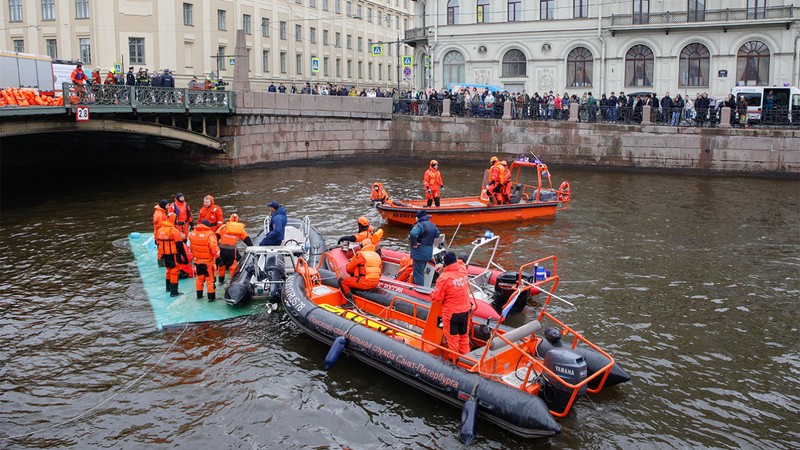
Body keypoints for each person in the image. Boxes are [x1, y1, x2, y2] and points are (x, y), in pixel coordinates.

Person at [430, 251, 472, 360]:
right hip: (465, 312)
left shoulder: (444, 278)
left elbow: (436, 298)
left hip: (452, 314)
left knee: (453, 341)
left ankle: (454, 362)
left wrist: (432, 293)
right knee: (463, 338)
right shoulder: (463, 271)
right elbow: (461, 264)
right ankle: (466, 361)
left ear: (445, 264)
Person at [156, 213, 188, 297]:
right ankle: (174, 292)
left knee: (168, 270)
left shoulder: (161, 230)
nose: (177, 220)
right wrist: (184, 255)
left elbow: (158, 243)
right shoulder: (174, 230)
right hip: (172, 254)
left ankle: (168, 288)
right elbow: (179, 245)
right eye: (176, 219)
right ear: (174, 219)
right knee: (174, 271)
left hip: (164, 254)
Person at [216, 213, 254, 284]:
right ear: (237, 220)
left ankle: (221, 281)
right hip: (231, 250)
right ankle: (232, 283)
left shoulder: (223, 227)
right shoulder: (239, 229)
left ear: (230, 219)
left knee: (221, 266)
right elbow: (246, 239)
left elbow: (216, 236)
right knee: (232, 267)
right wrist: (252, 247)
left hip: (221, 250)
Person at [189, 220, 221, 301]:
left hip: (197, 261)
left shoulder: (192, 234)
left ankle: (199, 296)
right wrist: (218, 257)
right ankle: (211, 298)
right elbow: (214, 248)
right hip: (208, 262)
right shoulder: (209, 235)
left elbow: (191, 248)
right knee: (210, 280)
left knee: (199, 279)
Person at [408, 210, 440, 286]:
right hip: (428, 252)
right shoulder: (433, 225)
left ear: (418, 218)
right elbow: (437, 234)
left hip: (419, 253)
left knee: (418, 273)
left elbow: (413, 234)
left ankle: (418, 290)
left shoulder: (419, 225)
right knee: (422, 270)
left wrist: (414, 243)